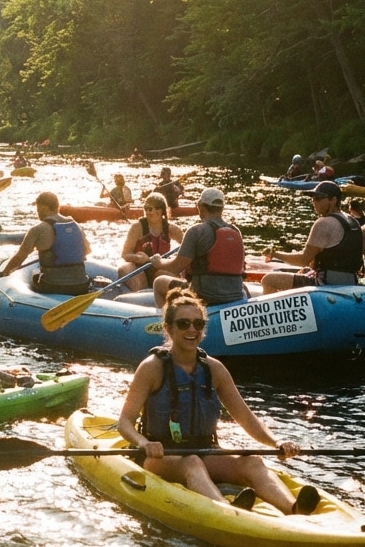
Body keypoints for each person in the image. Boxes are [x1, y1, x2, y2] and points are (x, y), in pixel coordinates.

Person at [116, 288, 318, 515]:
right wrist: (144, 443)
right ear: (169, 328)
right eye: (183, 324)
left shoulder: (214, 369)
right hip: (159, 456)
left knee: (252, 461)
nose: (191, 330)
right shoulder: (152, 368)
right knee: (192, 463)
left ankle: (294, 509)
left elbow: (246, 417)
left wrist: (276, 442)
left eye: (198, 324)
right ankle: (228, 512)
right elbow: (124, 422)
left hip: (205, 451)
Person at [260, 180, 364, 292]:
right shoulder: (354, 222)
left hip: (325, 285)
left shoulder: (323, 223)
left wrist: (275, 254)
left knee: (269, 280)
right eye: (313, 198)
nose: (314, 202)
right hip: (351, 283)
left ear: (333, 200)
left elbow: (303, 260)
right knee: (306, 271)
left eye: (319, 198)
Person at [150, 188, 245, 307]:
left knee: (159, 282)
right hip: (236, 295)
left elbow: (175, 268)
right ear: (222, 208)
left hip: (204, 296)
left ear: (201, 206)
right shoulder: (235, 231)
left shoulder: (196, 231)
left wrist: (159, 262)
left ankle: (166, 317)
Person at [1, 191, 91, 295]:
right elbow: (87, 251)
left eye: (38, 208)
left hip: (54, 286)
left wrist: (4, 273)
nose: (37, 212)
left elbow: (20, 256)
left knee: (35, 276)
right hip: (81, 286)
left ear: (44, 207)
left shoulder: (38, 229)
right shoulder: (75, 225)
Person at [117, 193, 185, 291]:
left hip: (159, 268)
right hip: (138, 267)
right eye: (147, 209)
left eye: (154, 208)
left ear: (162, 210)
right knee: (127, 268)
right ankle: (140, 293)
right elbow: (125, 254)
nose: (150, 212)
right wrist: (138, 258)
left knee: (161, 274)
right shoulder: (137, 228)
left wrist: (174, 262)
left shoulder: (172, 229)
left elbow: (187, 249)